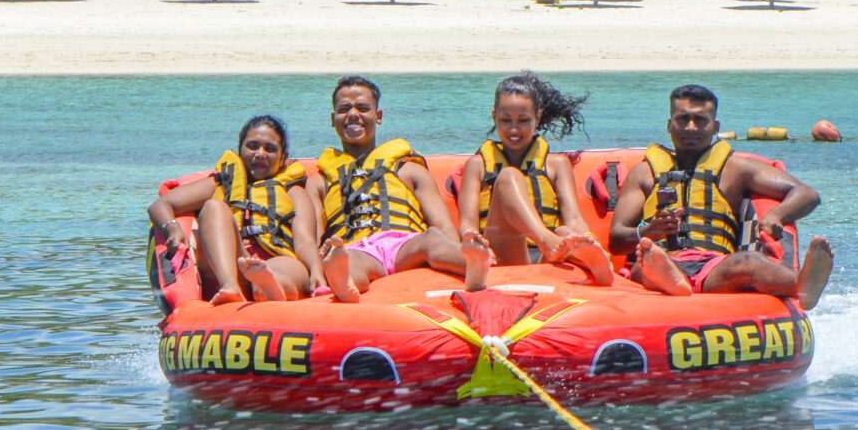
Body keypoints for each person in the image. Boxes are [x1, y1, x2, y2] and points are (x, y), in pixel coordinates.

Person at [608, 83, 834, 306]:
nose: (691, 128)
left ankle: (802, 286)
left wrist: (777, 215)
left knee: (748, 261)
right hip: (659, 262)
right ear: (669, 125)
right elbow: (616, 239)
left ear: (715, 127)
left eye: (700, 120)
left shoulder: (737, 170)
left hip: (713, 267)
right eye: (683, 119)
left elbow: (806, 193)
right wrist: (648, 231)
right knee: (647, 261)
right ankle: (671, 279)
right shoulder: (644, 173)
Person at [315, 74, 490, 301]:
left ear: (378, 116)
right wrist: (317, 271)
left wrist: (456, 247)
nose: (353, 115)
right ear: (333, 118)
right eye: (344, 109)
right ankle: (345, 283)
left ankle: (472, 265)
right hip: (358, 248)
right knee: (347, 260)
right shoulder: (321, 182)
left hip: (405, 245)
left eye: (363, 108)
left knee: (433, 238)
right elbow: (314, 238)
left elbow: (444, 226)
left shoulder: (409, 171)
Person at [146, 114, 325, 303]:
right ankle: (230, 286)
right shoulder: (221, 184)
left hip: (278, 258)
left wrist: (316, 270)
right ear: (240, 151)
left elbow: (305, 241)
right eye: (252, 146)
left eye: (270, 149)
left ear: (283, 158)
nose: (260, 153)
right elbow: (160, 206)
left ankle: (268, 287)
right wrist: (172, 228)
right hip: (235, 260)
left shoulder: (293, 192)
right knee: (213, 207)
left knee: (277, 271)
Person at [457, 71, 613, 284]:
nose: (514, 129)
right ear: (494, 116)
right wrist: (471, 240)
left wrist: (591, 241)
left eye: (523, 120)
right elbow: (467, 222)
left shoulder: (557, 165)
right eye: (505, 120)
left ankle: (594, 261)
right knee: (509, 176)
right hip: (502, 254)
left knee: (565, 230)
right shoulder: (478, 165)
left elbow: (574, 218)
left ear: (538, 117)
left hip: (547, 257)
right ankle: (547, 241)